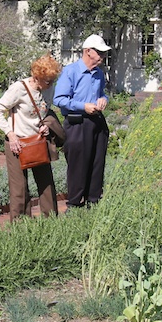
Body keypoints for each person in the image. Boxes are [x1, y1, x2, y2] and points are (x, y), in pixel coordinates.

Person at [0, 54, 63, 220]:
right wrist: (11, 134)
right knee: (19, 189)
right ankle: (21, 228)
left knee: (46, 185)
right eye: (47, 81)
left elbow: (45, 111)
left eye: (53, 80)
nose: (51, 85)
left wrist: (46, 126)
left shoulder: (48, 87)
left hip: (38, 142)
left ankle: (51, 222)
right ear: (36, 77)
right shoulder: (19, 89)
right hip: (18, 144)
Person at [54, 34, 111, 207]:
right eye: (99, 52)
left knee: (97, 163)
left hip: (97, 122)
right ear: (88, 51)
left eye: (104, 53)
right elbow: (59, 99)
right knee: (78, 166)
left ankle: (93, 202)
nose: (103, 56)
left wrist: (104, 99)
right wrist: (82, 106)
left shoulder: (99, 73)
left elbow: (101, 93)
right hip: (77, 123)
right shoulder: (70, 71)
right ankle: (74, 205)